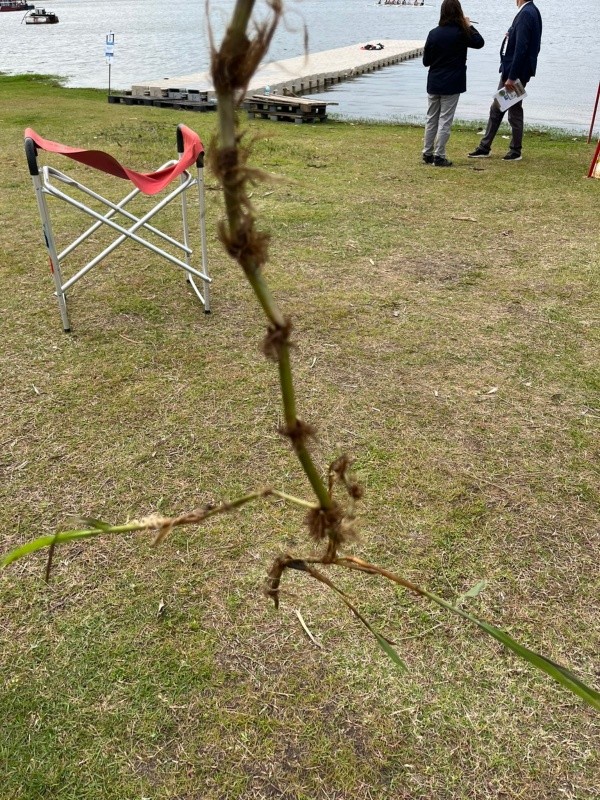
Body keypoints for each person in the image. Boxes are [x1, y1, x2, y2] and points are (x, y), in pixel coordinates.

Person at [468, 0, 542, 161]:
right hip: (518, 70)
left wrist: (512, 76)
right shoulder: (531, 11)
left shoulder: (526, 14)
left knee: (503, 109)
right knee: (505, 108)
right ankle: (489, 146)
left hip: (515, 73)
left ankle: (507, 149)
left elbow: (522, 48)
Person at [422, 0, 484, 167]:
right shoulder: (461, 33)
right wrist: (469, 25)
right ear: (459, 12)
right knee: (445, 120)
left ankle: (427, 153)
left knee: (431, 118)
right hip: (452, 82)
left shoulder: (433, 33)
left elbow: (426, 61)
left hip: (434, 81)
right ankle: (439, 155)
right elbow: (479, 42)